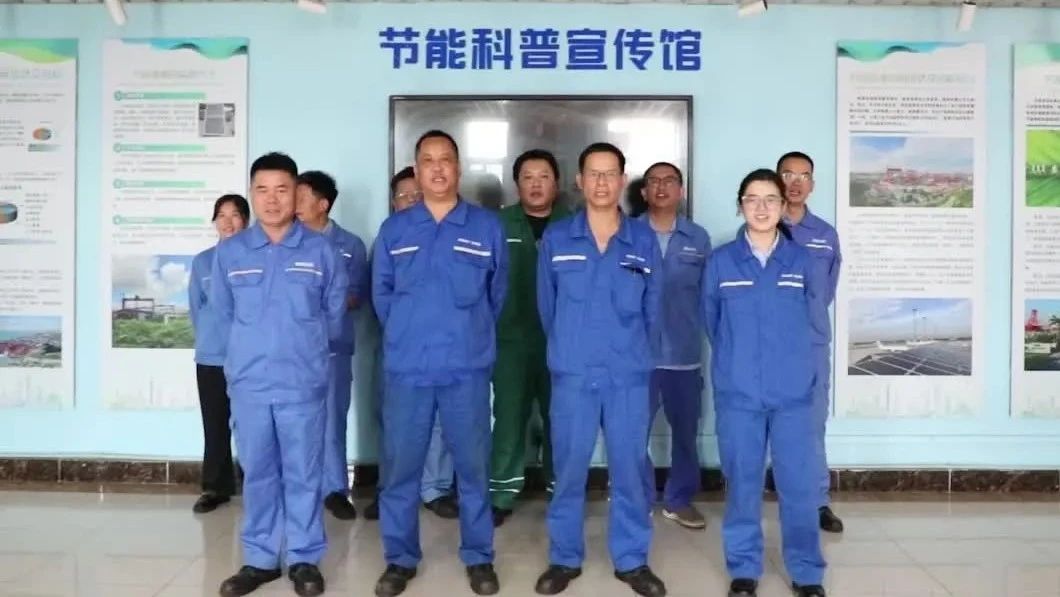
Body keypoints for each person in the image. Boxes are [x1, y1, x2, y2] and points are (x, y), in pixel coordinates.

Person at [371, 130, 507, 597]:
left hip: (466, 368)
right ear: (416, 170)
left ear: (458, 167)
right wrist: (409, 332)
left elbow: (497, 294)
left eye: (445, 159)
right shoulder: (395, 230)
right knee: (401, 470)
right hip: (408, 368)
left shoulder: (485, 227)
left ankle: (479, 556)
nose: (437, 168)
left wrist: (469, 334)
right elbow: (382, 295)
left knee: (473, 469)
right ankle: (400, 558)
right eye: (427, 160)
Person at [212, 152, 349, 597]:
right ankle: (260, 559)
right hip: (250, 385)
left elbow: (334, 316)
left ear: (296, 194)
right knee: (258, 472)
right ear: (253, 194)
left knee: (304, 473)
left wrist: (302, 351)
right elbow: (223, 315)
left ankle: (304, 557)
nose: (272, 200)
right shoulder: (231, 253)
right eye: (262, 190)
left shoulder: (321, 251)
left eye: (282, 190)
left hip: (302, 384)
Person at [534, 142, 665, 597]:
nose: (602, 182)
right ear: (579, 181)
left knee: (629, 469)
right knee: (569, 469)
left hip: (627, 375)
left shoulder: (642, 241)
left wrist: (628, 352)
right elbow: (547, 308)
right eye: (594, 173)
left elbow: (653, 309)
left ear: (623, 181)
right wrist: (571, 348)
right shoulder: (557, 239)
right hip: (573, 374)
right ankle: (564, 557)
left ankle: (632, 559)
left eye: (611, 173)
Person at [701, 169, 828, 597]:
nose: (761, 207)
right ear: (740, 205)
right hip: (739, 395)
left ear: (783, 206)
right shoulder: (720, 262)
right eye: (752, 199)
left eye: (770, 199)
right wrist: (736, 365)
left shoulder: (802, 262)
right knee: (743, 484)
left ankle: (806, 572)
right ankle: (744, 568)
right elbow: (712, 323)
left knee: (798, 486)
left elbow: (815, 322)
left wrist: (802, 376)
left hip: (793, 395)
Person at [364, 166, 459, 522]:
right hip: (398, 346)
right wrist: (403, 331)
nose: (410, 201)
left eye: (416, 195)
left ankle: (436, 488)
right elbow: (380, 293)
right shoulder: (387, 238)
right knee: (394, 420)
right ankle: (391, 489)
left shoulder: (453, 235)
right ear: (393, 202)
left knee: (439, 421)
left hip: (446, 347)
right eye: (403, 196)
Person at [490, 149, 570, 527]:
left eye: (544, 177)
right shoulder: (497, 225)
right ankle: (501, 494)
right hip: (511, 341)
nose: (536, 184)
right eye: (527, 177)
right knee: (508, 418)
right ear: (516, 184)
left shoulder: (574, 225)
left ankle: (561, 492)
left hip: (564, 342)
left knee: (562, 419)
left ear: (557, 183)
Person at [636, 162, 712, 530]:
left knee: (685, 434)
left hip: (684, 354)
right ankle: (638, 497)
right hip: (637, 356)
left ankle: (679, 499)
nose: (662, 187)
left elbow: (709, 297)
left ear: (680, 191)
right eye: (654, 181)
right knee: (632, 432)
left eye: (669, 181)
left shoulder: (698, 238)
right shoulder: (627, 234)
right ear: (643, 191)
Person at [294, 170, 369, 521]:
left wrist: (319, 303)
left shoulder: (350, 246)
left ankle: (334, 489)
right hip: (291, 349)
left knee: (332, 421)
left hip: (333, 346)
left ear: (323, 204)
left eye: (301, 197)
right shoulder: (286, 242)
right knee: (292, 419)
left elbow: (356, 295)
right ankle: (298, 487)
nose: (294, 204)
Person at [776, 151, 844, 534]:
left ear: (812, 184)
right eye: (788, 174)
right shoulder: (763, 225)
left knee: (812, 423)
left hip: (811, 343)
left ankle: (818, 502)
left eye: (803, 175)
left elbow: (825, 293)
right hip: (769, 345)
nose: (796, 182)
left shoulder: (825, 235)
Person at [189, 193, 250, 514]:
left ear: (246, 220)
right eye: (221, 215)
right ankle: (216, 486)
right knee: (215, 425)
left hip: (250, 357)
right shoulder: (202, 262)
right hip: (212, 357)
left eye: (235, 214)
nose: (228, 222)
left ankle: (258, 483)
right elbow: (196, 309)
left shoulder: (257, 257)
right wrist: (212, 339)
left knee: (253, 425)